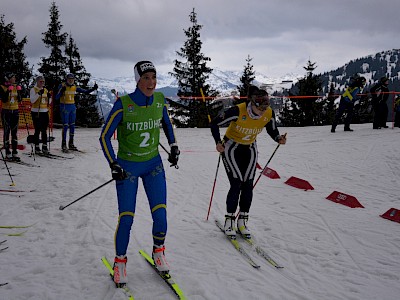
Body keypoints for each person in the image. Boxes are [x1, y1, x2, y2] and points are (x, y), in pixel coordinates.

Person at [99, 61, 180, 287]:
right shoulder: (123, 104)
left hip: (153, 165)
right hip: (128, 169)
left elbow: (167, 124)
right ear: (137, 80)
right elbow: (104, 137)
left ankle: (158, 251)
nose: (151, 82)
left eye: (153, 77)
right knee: (127, 219)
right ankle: (120, 263)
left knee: (161, 216)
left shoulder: (160, 100)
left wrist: (173, 145)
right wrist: (113, 164)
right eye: (146, 78)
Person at [210, 85, 286, 239]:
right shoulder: (238, 110)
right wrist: (218, 142)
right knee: (236, 182)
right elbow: (214, 123)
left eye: (265, 108)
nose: (263, 112)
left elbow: (272, 128)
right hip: (231, 147)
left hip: (250, 148)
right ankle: (229, 220)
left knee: (248, 184)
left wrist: (278, 138)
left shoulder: (268, 112)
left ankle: (242, 221)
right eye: (260, 109)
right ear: (252, 103)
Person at [55, 73, 98, 152]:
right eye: (69, 79)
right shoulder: (62, 86)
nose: (71, 80)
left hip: (72, 107)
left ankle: (71, 143)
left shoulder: (74, 87)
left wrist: (93, 89)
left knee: (72, 125)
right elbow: (56, 97)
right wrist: (61, 91)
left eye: (72, 79)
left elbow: (85, 92)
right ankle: (63, 144)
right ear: (66, 79)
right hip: (64, 107)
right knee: (65, 126)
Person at [0, 72, 23, 161]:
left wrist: (19, 91)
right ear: (8, 79)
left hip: (15, 111)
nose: (14, 79)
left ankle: (14, 151)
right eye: (12, 78)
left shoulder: (15, 86)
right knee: (7, 132)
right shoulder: (2, 87)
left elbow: (20, 99)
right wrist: (8, 91)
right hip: (6, 111)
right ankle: (7, 152)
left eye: (14, 77)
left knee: (14, 132)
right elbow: (4, 99)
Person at [29, 75, 52, 154]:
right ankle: (37, 146)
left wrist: (49, 97)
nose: (42, 83)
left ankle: (44, 146)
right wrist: (38, 93)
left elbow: (48, 102)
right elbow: (32, 100)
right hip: (36, 111)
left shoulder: (45, 90)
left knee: (44, 130)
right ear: (37, 82)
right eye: (40, 81)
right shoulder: (33, 89)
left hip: (44, 111)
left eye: (43, 81)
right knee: (37, 129)